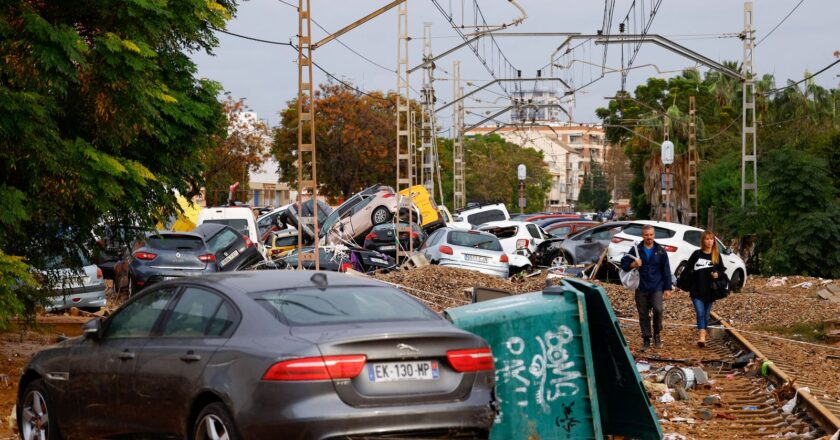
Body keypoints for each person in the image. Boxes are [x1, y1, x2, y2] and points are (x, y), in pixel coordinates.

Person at [621, 224, 673, 351]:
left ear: (654, 235)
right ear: (642, 235)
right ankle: (646, 338)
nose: (649, 237)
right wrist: (633, 264)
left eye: (651, 235)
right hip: (641, 287)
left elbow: (666, 270)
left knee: (658, 310)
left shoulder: (660, 251)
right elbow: (624, 263)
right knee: (643, 314)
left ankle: (657, 333)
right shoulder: (636, 249)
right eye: (646, 235)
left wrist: (667, 288)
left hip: (656, 286)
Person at [680, 230, 727, 348]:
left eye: (711, 239)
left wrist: (717, 274)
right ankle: (702, 338)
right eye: (707, 239)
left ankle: (703, 334)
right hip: (696, 290)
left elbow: (722, 270)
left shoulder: (716, 255)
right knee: (700, 313)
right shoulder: (697, 254)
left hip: (710, 291)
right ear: (703, 241)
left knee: (706, 315)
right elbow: (687, 269)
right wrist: (684, 281)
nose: (709, 241)